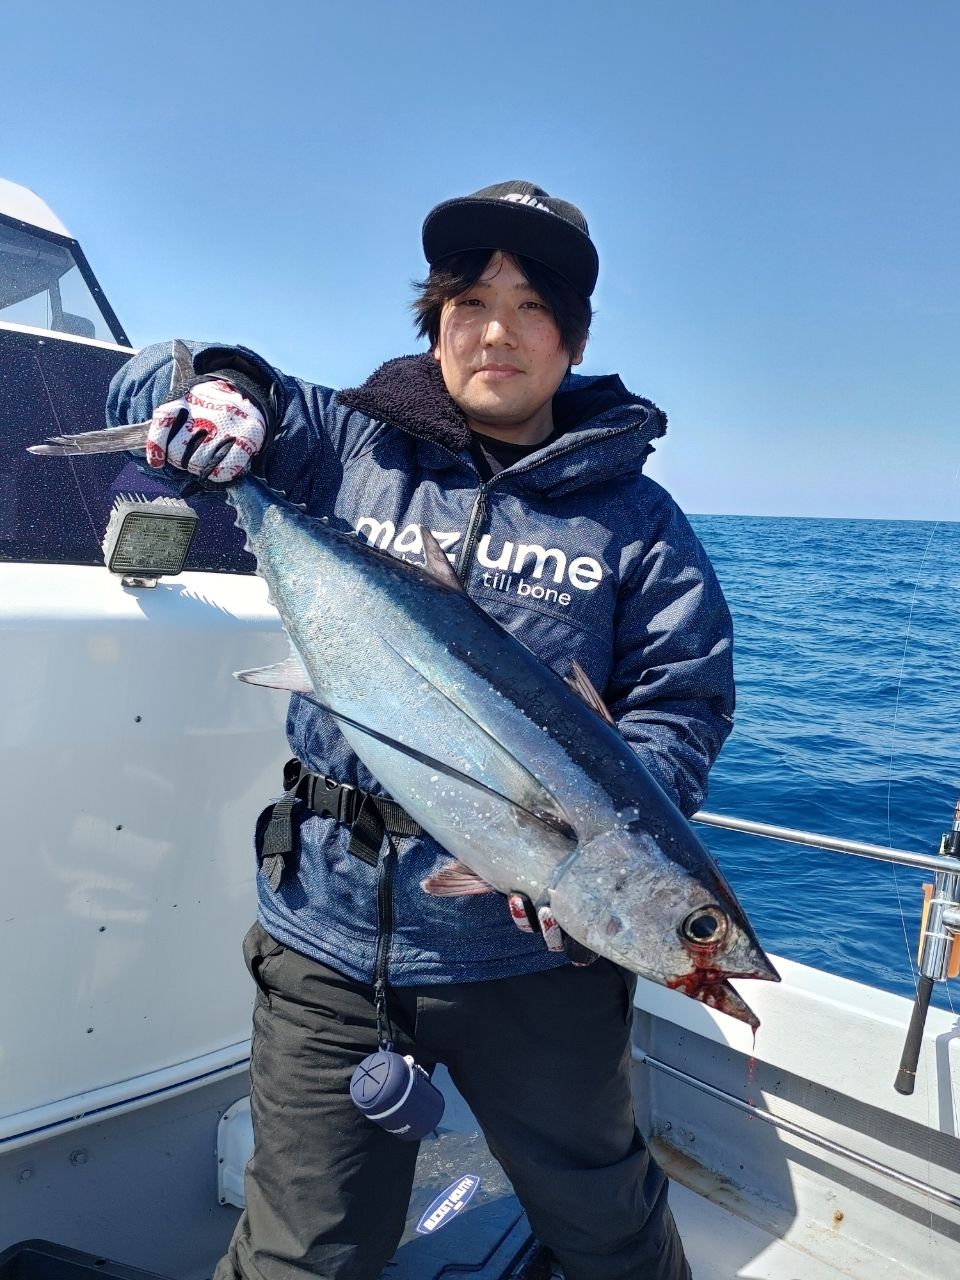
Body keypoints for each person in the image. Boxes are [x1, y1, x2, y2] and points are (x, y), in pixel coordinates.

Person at [107, 181, 734, 1280]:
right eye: (469, 299)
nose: (497, 328)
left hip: (540, 965)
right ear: (434, 319)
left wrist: (603, 853)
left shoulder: (637, 522)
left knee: (613, 1238)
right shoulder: (343, 440)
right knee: (302, 1255)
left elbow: (681, 702)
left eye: (532, 305)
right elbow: (151, 371)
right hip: (331, 939)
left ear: (574, 337)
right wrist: (219, 393)